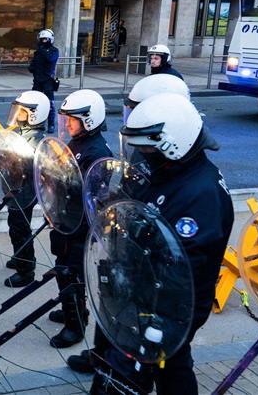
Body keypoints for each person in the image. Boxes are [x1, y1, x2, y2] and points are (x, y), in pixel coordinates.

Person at [90, 93, 233, 395]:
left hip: (166, 305)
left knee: (161, 363)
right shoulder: (169, 170)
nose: (141, 154)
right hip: (141, 291)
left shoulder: (202, 194)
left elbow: (182, 266)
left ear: (172, 143)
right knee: (173, 365)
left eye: (146, 148)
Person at [64, 72, 192, 375]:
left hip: (152, 269)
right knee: (111, 300)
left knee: (172, 367)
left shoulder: (187, 176)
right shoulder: (148, 151)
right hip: (124, 243)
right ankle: (101, 354)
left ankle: (114, 363)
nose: (133, 118)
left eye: (139, 110)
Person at [48, 89, 112, 349]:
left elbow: (90, 191)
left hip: (80, 225)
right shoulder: (78, 143)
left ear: (90, 119)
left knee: (72, 273)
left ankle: (75, 325)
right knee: (62, 268)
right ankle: (70, 308)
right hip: (65, 219)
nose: (68, 124)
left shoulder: (97, 152)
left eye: (73, 119)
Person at [3, 90, 48, 288]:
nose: (17, 113)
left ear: (33, 114)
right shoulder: (22, 133)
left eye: (21, 111)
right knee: (15, 225)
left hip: (25, 191)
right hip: (16, 189)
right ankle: (19, 256)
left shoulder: (36, 139)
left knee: (20, 229)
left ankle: (26, 270)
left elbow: (31, 167)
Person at [28, 29, 59, 134]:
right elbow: (32, 66)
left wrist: (41, 51)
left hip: (48, 81)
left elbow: (50, 59)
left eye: (45, 39)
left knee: (50, 103)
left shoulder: (54, 51)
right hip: (37, 80)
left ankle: (51, 124)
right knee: (35, 103)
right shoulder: (38, 52)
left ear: (50, 39)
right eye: (42, 39)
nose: (43, 41)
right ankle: (37, 122)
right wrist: (32, 67)